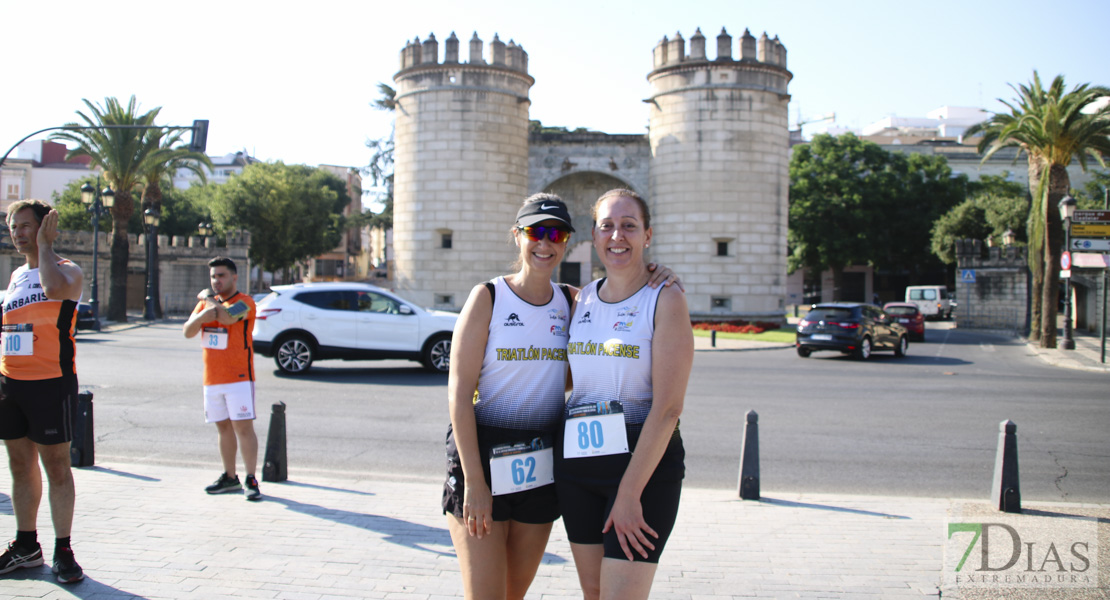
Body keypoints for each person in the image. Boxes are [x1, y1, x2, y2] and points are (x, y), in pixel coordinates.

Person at [443, 193, 679, 600]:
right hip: (482, 457)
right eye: (536, 231)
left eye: (556, 233)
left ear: (568, 241)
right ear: (517, 235)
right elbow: (459, 395)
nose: (545, 242)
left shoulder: (573, 301)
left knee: (514, 593)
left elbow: (581, 367)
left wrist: (659, 273)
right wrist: (476, 483)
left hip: (541, 459)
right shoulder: (489, 296)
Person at [555, 188, 693, 600]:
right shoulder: (579, 301)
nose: (618, 236)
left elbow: (668, 409)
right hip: (577, 470)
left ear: (647, 235)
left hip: (641, 471)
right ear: (594, 236)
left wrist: (629, 494)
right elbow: (567, 377)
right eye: (608, 226)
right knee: (594, 592)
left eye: (629, 226)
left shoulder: (665, 298)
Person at [0, 200, 86, 583]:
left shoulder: (68, 270)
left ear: (46, 226)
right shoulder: (16, 276)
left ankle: (63, 549)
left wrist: (46, 248)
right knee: (20, 466)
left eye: (25, 225)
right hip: (10, 384)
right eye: (12, 226)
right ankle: (26, 545)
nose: (18, 232)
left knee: (56, 467)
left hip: (52, 382)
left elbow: (52, 289)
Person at [183, 257, 262, 501]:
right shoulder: (206, 306)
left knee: (243, 427)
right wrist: (203, 313)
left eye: (221, 276)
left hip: (239, 377)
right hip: (212, 379)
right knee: (223, 427)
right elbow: (188, 331)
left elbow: (227, 318)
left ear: (234, 277)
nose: (217, 281)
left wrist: (207, 300)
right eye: (213, 277)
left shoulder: (245, 302)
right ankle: (230, 476)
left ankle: (251, 478)